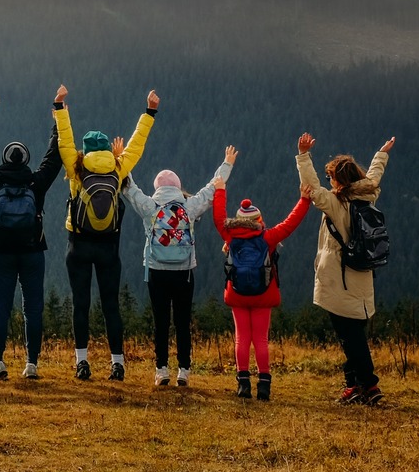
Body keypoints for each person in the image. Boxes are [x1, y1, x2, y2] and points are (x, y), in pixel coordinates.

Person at [54, 84, 159, 381]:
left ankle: (82, 363)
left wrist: (60, 107)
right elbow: (137, 144)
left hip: (78, 245)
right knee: (111, 305)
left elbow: (65, 140)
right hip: (108, 248)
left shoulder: (76, 167)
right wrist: (149, 110)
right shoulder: (118, 167)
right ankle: (117, 363)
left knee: (81, 304)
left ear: (86, 151)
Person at [295, 131, 396, 405]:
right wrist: (381, 153)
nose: (329, 181)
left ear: (339, 180)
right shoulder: (367, 197)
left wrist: (303, 156)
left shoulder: (337, 205)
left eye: (331, 177)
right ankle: (353, 386)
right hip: (362, 278)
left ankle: (369, 386)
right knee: (353, 335)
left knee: (350, 338)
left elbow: (312, 188)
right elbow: (374, 177)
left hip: (339, 281)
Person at [123, 146, 234, 387]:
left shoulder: (150, 208)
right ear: (177, 186)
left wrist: (121, 160)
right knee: (183, 322)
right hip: (184, 273)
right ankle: (184, 370)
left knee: (160, 322)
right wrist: (227, 163)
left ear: (157, 188)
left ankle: (161, 369)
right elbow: (211, 189)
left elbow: (130, 190)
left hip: (156, 271)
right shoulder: (189, 207)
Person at [211, 155, 310, 400]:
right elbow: (291, 223)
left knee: (241, 338)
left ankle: (243, 384)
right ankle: (264, 385)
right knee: (261, 339)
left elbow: (218, 216)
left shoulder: (230, 236)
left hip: (237, 294)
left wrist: (220, 190)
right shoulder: (267, 238)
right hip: (264, 293)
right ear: (258, 220)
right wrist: (304, 200)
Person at [0, 117, 64, 380]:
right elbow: (53, 157)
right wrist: (57, 120)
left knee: (0, 306)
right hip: (33, 250)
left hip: (2, 251)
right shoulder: (36, 183)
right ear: (25, 160)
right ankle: (31, 363)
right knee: (32, 308)